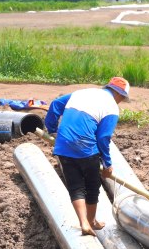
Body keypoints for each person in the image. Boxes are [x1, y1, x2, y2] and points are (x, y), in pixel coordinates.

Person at [44, 76, 130, 235]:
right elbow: (103, 137)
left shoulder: (81, 93)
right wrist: (107, 163)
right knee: (92, 186)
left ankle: (84, 222)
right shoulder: (112, 107)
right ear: (120, 95)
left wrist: (51, 130)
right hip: (86, 147)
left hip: (63, 145)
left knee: (75, 186)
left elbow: (56, 104)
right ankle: (91, 221)